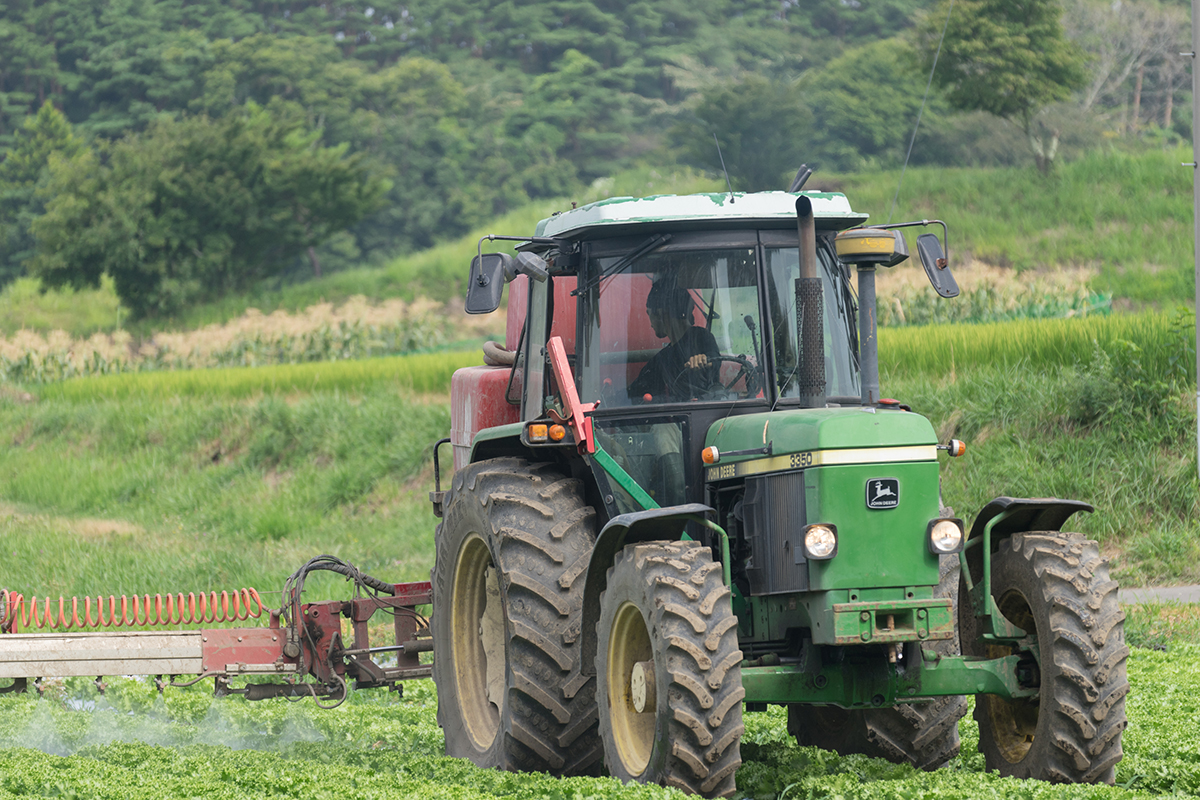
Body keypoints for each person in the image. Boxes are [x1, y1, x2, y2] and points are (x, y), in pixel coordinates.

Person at [628, 280, 720, 403]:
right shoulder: (662, 359)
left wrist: (704, 359)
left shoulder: (702, 337)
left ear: (660, 313)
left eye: (649, 314)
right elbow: (636, 390)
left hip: (709, 409)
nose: (650, 325)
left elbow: (715, 359)